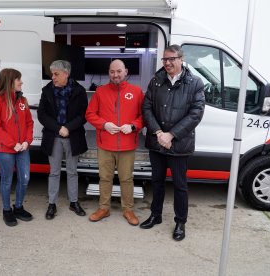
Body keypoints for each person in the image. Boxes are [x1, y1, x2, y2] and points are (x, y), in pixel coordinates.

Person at [140, 44, 205, 241]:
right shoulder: (156, 81)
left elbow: (196, 114)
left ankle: (180, 222)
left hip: (179, 144)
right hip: (157, 141)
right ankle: (156, 215)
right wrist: (159, 132)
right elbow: (147, 108)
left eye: (171, 59)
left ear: (181, 59)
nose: (167, 63)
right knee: (157, 182)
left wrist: (171, 135)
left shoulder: (195, 83)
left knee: (180, 185)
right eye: (164, 59)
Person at [86, 59, 144, 226]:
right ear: (108, 73)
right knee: (105, 178)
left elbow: (144, 117)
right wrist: (104, 124)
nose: (115, 75)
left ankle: (128, 209)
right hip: (105, 145)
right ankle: (104, 208)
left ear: (125, 71)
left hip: (127, 145)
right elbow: (90, 114)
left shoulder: (137, 92)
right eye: (112, 71)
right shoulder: (100, 92)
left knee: (126, 179)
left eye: (119, 71)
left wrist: (133, 126)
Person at [38, 60, 88, 220]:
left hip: (72, 137)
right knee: (54, 172)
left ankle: (74, 202)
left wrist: (68, 127)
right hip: (54, 137)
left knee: (73, 171)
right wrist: (58, 128)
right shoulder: (47, 91)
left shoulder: (79, 91)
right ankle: (52, 204)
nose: (53, 77)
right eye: (52, 74)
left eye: (56, 74)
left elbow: (83, 115)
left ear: (66, 74)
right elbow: (42, 114)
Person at [0, 68, 34, 227]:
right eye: (18, 79)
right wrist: (13, 144)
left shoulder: (22, 101)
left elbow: (29, 123)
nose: (21, 82)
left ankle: (18, 207)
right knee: (7, 181)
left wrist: (27, 141)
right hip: (4, 150)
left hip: (23, 148)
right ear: (9, 82)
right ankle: (7, 210)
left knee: (25, 178)